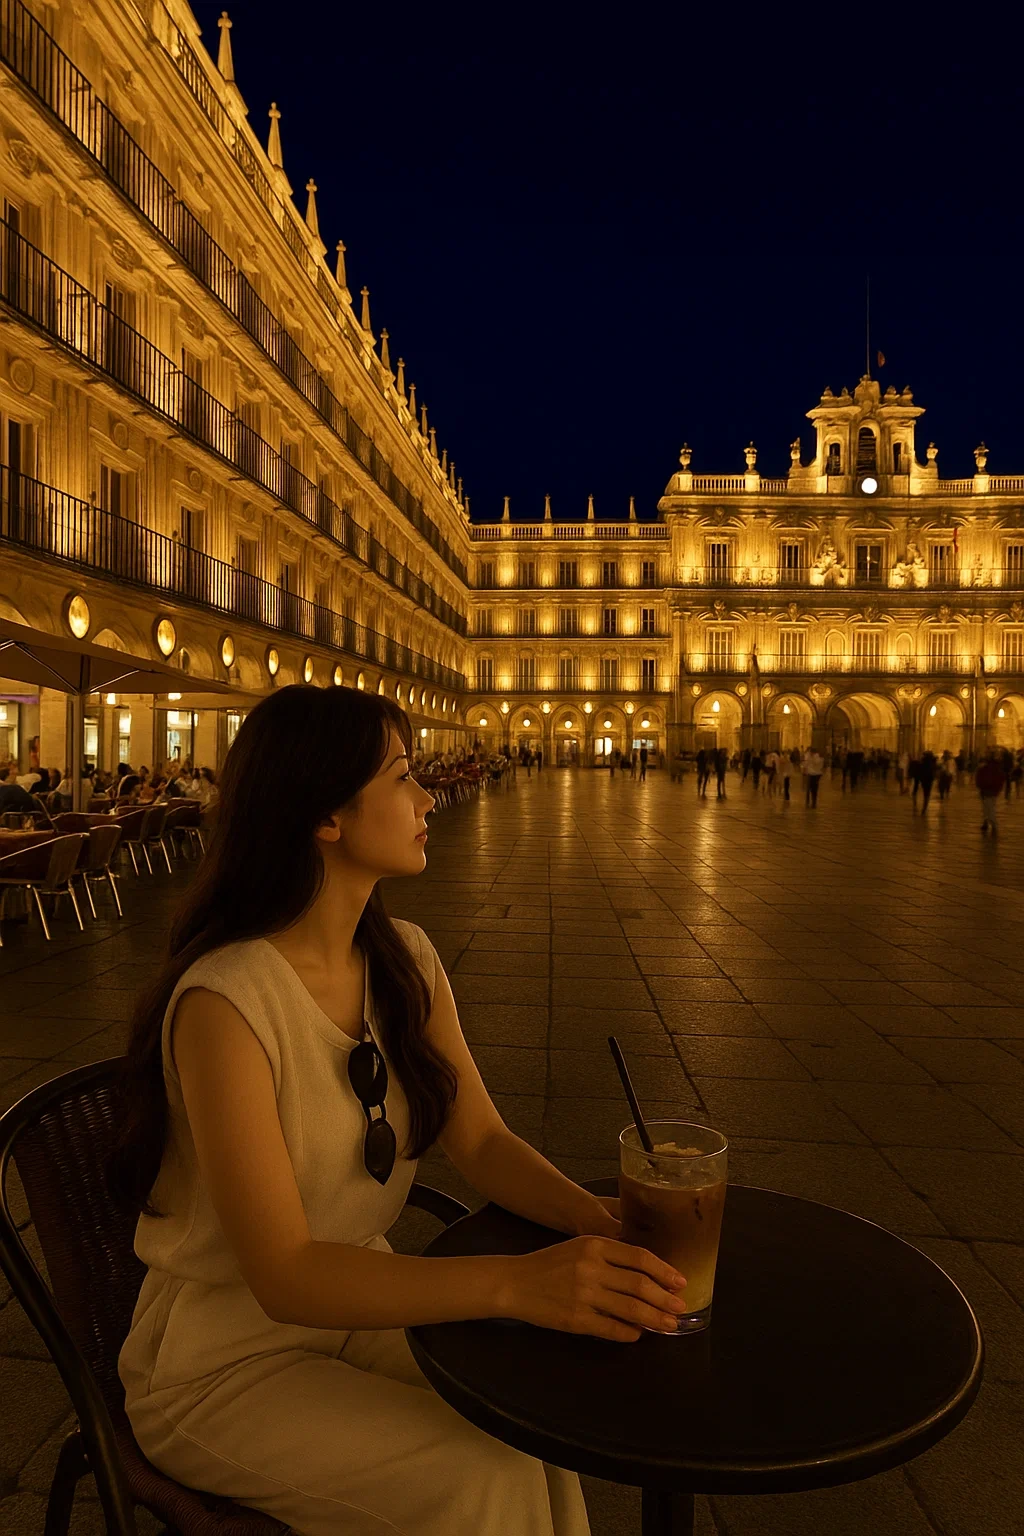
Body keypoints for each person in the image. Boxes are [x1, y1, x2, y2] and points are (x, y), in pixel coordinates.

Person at [106, 685, 680, 1535]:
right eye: (405, 778)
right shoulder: (225, 1004)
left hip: (363, 1304)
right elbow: (285, 1273)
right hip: (221, 1360)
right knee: (479, 1478)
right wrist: (517, 1284)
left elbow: (480, 1140)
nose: (427, 798)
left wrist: (599, 1222)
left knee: (534, 1427)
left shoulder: (404, 958)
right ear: (327, 817)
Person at [976, 751, 1006, 835]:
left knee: (989, 808)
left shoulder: (985, 769)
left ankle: (994, 825)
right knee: (988, 807)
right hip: (993, 791)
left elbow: (980, 779)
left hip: (987, 791)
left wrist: (980, 785)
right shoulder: (998, 768)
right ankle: (985, 822)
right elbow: (1001, 779)